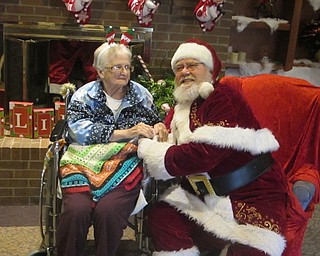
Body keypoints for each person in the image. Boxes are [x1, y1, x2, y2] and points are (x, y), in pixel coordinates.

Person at [137, 39, 288, 255]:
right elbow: (172, 139)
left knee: (252, 249)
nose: (185, 72)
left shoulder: (223, 97)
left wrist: (148, 149)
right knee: (162, 220)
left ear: (209, 71)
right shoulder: (181, 107)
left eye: (192, 65)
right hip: (200, 195)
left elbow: (203, 155)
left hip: (251, 191)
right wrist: (159, 131)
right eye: (179, 68)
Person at [56, 42, 168, 256]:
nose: (124, 72)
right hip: (82, 163)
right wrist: (125, 133)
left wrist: (159, 125)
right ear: (100, 71)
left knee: (108, 211)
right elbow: (78, 130)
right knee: (76, 211)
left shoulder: (141, 95)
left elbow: (154, 122)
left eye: (127, 67)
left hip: (124, 165)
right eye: (116, 67)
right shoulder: (84, 95)